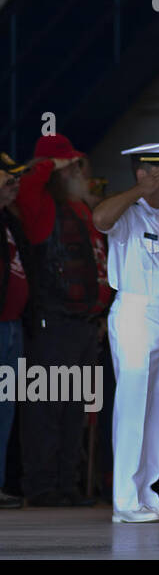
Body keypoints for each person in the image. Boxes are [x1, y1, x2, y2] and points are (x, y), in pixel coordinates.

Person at [92, 141, 159, 523]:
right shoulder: (128, 211)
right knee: (132, 407)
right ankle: (124, 502)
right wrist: (139, 192)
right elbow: (99, 219)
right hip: (135, 311)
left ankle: (147, 492)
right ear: (142, 173)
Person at [17, 134, 115, 507]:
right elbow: (28, 185)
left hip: (85, 324)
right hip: (53, 322)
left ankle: (66, 483)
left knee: (75, 409)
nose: (78, 171)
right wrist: (49, 163)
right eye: (72, 166)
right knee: (47, 407)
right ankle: (42, 486)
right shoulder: (42, 207)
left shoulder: (81, 209)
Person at [0, 153, 30, 508]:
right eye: (8, 178)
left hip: (12, 325)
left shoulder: (11, 219)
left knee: (6, 407)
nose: (14, 184)